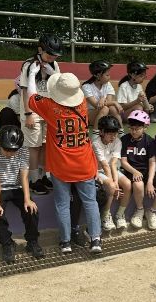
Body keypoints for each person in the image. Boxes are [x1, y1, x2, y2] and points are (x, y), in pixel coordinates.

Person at [26, 63, 103, 254]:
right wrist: (56, 75)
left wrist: (32, 74)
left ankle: (65, 242)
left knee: (62, 204)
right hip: (85, 164)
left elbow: (31, 97)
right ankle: (95, 240)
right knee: (90, 202)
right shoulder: (82, 103)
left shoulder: (50, 107)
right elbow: (66, 89)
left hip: (61, 166)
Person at [0, 125, 42, 263]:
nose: (10, 153)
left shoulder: (23, 152)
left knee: (32, 210)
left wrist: (27, 199)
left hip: (16, 187)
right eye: (7, 149)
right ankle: (7, 243)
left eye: (14, 150)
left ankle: (32, 241)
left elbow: (24, 177)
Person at [18, 34, 62, 195]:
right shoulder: (29, 65)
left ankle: (43, 176)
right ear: (40, 49)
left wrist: (53, 72)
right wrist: (28, 113)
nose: (52, 57)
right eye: (50, 54)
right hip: (33, 112)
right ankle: (33, 179)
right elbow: (25, 91)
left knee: (45, 145)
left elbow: (59, 86)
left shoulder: (54, 64)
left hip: (48, 112)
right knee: (34, 147)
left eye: (55, 55)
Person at [120, 109, 156, 230]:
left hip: (147, 171)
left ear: (145, 128)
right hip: (132, 170)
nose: (133, 131)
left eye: (137, 129)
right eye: (131, 128)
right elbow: (124, 162)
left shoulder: (150, 141)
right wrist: (134, 171)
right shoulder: (124, 140)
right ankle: (140, 210)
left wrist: (150, 182)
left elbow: (152, 162)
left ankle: (152, 211)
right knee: (138, 185)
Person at [92, 114, 131, 231]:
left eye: (115, 133)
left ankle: (120, 214)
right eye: (110, 134)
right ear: (101, 132)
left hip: (112, 169)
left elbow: (113, 163)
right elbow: (104, 165)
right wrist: (113, 184)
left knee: (128, 184)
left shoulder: (117, 141)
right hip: (98, 171)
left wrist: (116, 183)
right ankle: (106, 215)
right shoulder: (96, 143)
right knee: (111, 186)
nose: (113, 136)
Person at [82, 60, 123, 134]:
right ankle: (95, 133)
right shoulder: (86, 87)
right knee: (105, 108)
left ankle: (121, 131)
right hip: (91, 116)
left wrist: (103, 99)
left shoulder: (108, 84)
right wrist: (114, 102)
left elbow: (109, 102)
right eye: (107, 75)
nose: (109, 77)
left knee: (112, 108)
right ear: (97, 75)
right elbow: (97, 105)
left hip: (105, 115)